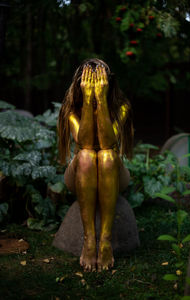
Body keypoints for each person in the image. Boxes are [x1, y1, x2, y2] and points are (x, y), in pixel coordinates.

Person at [58, 58, 134, 272]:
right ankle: (90, 240)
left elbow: (108, 143)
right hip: (81, 172)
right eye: (89, 83)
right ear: (80, 84)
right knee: (86, 156)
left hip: (114, 173)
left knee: (107, 156)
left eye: (98, 83)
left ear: (107, 83)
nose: (93, 86)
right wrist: (87, 99)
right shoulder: (71, 108)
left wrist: (100, 99)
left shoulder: (122, 107)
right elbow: (85, 143)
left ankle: (106, 240)